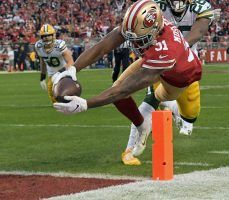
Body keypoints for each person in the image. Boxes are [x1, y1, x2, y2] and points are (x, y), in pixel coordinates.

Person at [52, 0, 202, 160]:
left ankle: (170, 108)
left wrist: (85, 104)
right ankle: (142, 125)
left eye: (140, 39)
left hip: (180, 75)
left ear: (156, 30)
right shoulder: (138, 26)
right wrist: (73, 69)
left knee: (156, 96)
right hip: (155, 59)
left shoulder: (166, 49)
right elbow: (103, 46)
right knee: (117, 86)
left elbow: (124, 90)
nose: (135, 44)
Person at [121, 0, 221, 165]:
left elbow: (198, 31)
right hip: (158, 60)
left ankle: (171, 107)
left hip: (184, 65)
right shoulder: (157, 6)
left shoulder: (200, 7)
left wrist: (176, 49)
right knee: (150, 100)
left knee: (190, 116)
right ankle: (129, 150)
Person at [35, 24, 74, 104]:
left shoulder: (60, 45)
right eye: (44, 36)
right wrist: (42, 77)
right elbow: (43, 61)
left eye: (49, 35)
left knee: (66, 98)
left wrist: (61, 72)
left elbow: (71, 62)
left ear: (53, 35)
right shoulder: (38, 46)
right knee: (55, 103)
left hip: (64, 73)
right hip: (51, 76)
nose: (46, 38)